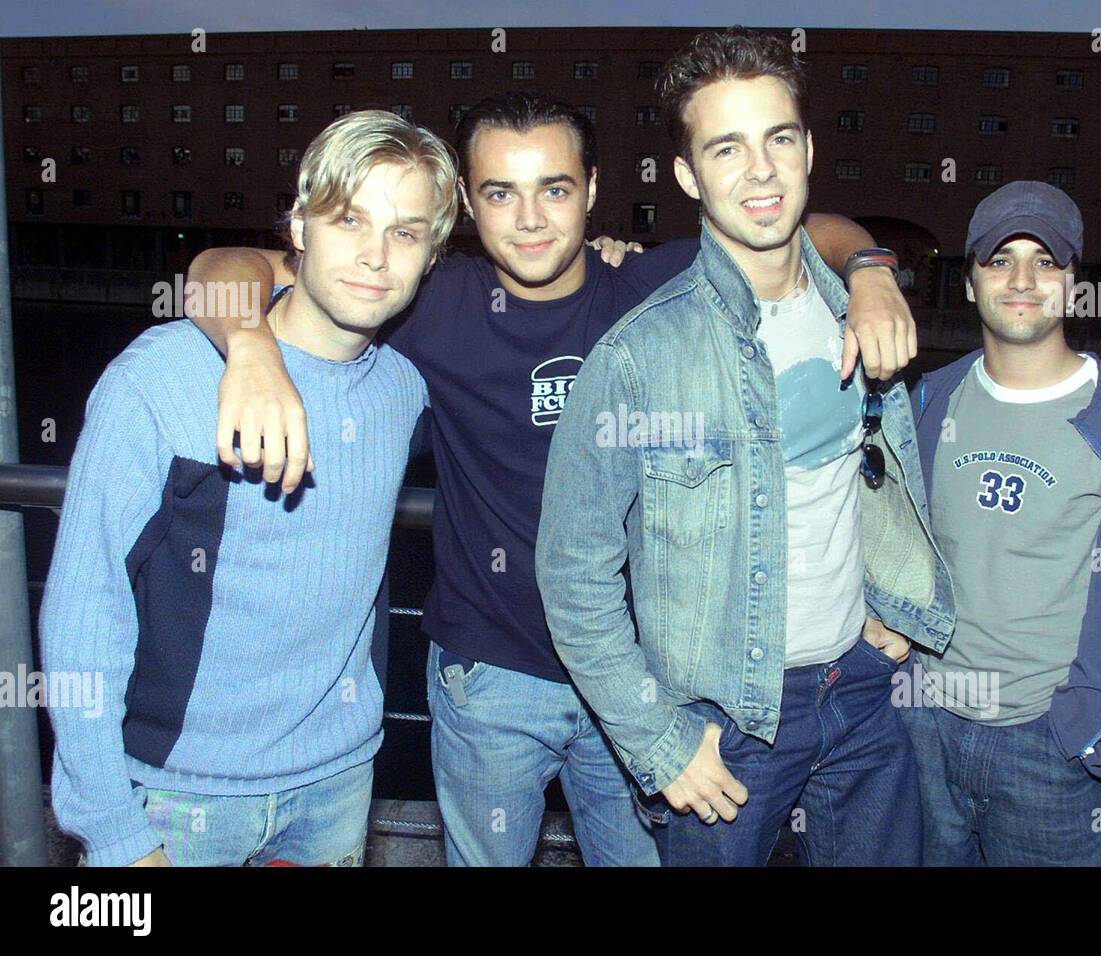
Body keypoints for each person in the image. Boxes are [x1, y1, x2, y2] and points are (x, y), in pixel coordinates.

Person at [186, 90, 916, 866]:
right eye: (502, 192)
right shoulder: (433, 299)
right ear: (467, 201)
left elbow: (805, 233)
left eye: (555, 189)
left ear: (594, 191)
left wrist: (870, 274)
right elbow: (216, 268)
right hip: (489, 678)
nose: (530, 218)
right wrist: (250, 346)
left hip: (632, 684)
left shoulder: (649, 291)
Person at [535, 27, 956, 867]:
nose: (760, 171)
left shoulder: (858, 311)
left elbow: (874, 478)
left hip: (863, 689)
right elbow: (572, 572)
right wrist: (656, 738)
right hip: (725, 725)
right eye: (727, 148)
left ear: (808, 150)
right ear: (689, 175)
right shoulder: (638, 358)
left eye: (779, 139)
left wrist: (898, 600)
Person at [41, 110, 459, 866]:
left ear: (431, 257)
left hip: (338, 783)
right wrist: (112, 831)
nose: (374, 255)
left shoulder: (403, 389)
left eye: (405, 232)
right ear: (298, 228)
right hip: (177, 795)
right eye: (348, 219)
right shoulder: (164, 377)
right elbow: (84, 607)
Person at [896, 180, 1101, 865]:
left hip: (1049, 746)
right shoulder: (928, 400)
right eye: (1001, 260)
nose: (1023, 279)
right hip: (922, 726)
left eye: (1046, 260)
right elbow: (893, 536)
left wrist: (1087, 732)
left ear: (1074, 283)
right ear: (971, 282)